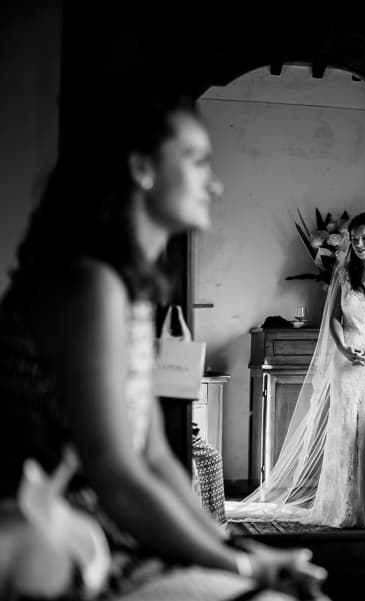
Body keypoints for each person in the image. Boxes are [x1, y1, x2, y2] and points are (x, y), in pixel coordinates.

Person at [0, 87, 328, 600]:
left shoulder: (125, 290)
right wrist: (244, 568)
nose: (215, 184)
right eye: (197, 161)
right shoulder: (89, 285)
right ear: (142, 169)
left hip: (105, 527)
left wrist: (239, 548)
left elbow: (153, 457)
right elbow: (118, 477)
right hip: (58, 535)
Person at [228, 212, 365, 528]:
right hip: (346, 356)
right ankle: (342, 506)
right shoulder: (342, 276)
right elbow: (336, 318)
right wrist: (343, 348)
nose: (360, 244)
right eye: (355, 239)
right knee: (344, 430)